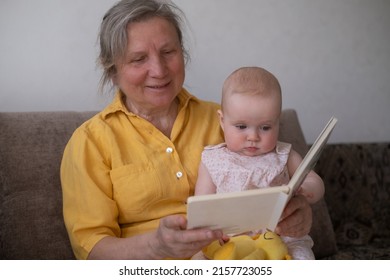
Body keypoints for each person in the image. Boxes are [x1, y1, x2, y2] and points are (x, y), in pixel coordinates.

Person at [60, 0, 313, 260]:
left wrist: (297, 216)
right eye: (138, 59)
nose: (158, 71)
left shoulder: (232, 123)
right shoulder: (89, 142)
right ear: (112, 70)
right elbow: (92, 250)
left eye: (168, 52)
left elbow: (276, 181)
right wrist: (154, 246)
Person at [194, 66, 325, 259]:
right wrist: (212, 232)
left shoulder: (284, 155)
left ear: (277, 123)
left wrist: (306, 190)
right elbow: (202, 207)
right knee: (199, 259)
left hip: (281, 238)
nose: (253, 137)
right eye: (241, 126)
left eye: (265, 127)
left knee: (302, 256)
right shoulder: (213, 160)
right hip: (231, 240)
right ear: (222, 121)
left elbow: (316, 182)